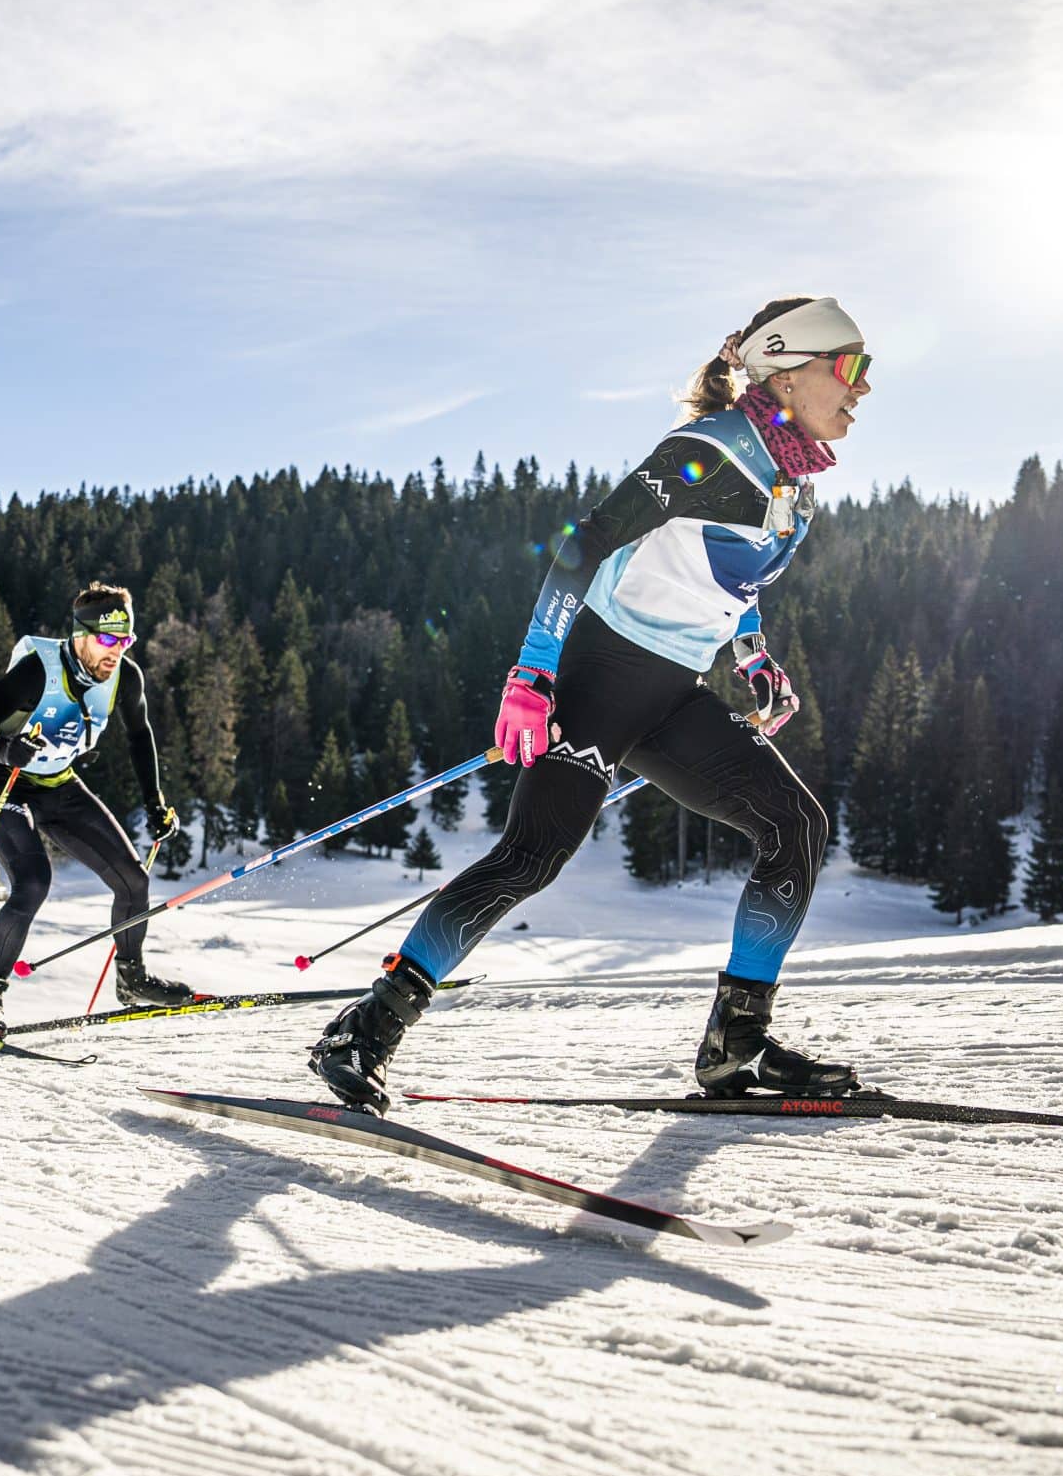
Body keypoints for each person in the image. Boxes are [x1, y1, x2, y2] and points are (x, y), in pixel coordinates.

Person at [310, 295, 872, 1113]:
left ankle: (735, 1046)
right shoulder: (708, 454)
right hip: (598, 677)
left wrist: (753, 658)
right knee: (531, 858)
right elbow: (584, 543)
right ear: (785, 371)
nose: (862, 389)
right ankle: (365, 1030)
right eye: (849, 368)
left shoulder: (795, 480)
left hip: (670, 692)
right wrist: (533, 673)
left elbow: (735, 581)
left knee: (798, 825)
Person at [0, 583, 190, 1042]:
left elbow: (140, 736)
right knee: (33, 883)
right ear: (79, 635)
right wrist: (4, 750)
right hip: (2, 779)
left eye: (125, 641)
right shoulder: (35, 671)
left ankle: (131, 978)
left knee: (133, 880)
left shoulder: (127, 676)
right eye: (106, 639)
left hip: (58, 782)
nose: (116, 651)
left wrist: (155, 803)